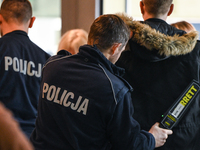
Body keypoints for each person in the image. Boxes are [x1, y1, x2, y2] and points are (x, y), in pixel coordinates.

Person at [30, 14, 172, 150]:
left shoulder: (52, 66)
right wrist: (152, 138)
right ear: (115, 47)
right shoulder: (115, 90)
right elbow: (128, 144)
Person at [116, 0, 200, 150]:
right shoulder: (196, 53)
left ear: (141, 6)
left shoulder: (119, 48)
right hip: (183, 142)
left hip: (134, 141)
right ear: (170, 9)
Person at [0, 0, 50, 138]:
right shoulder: (47, 60)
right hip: (33, 138)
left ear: (0, 18)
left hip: (4, 135)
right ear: (32, 21)